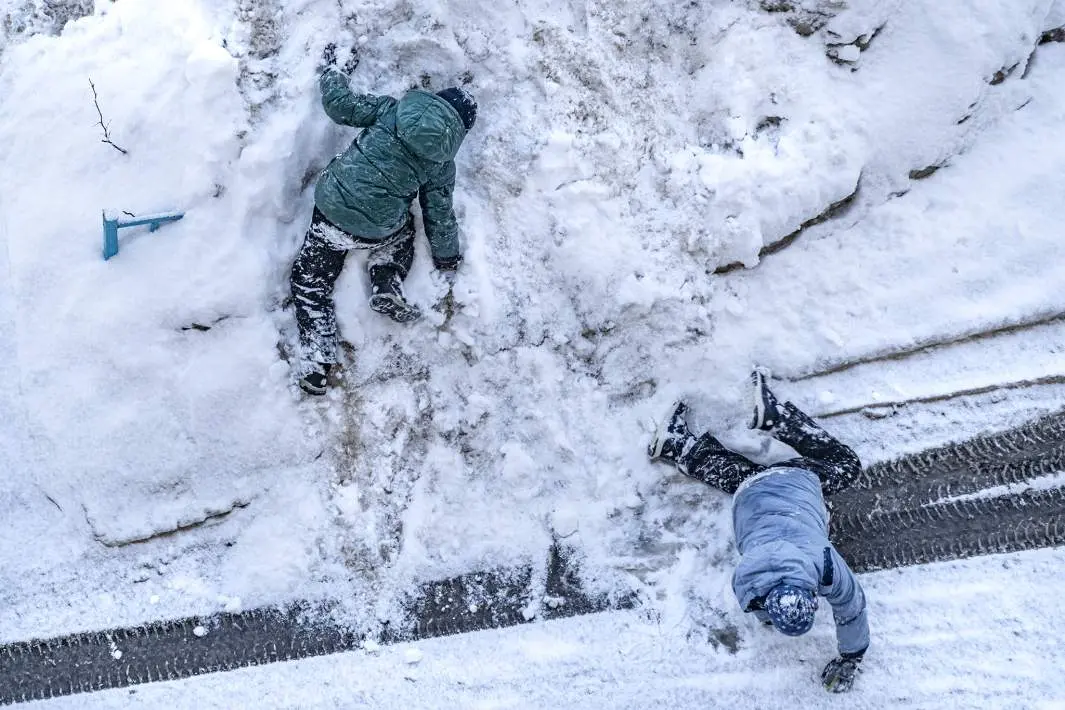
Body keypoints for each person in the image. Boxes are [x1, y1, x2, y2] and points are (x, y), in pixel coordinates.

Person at [647, 370, 870, 693]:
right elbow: (768, 610)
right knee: (763, 480)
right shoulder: (748, 585)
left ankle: (775, 418)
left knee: (846, 465)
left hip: (794, 482)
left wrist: (853, 656)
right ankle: (679, 446)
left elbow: (852, 607)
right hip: (748, 503)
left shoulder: (822, 562)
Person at [290, 43, 477, 395]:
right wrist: (446, 256)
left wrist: (334, 72)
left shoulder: (391, 110)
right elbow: (438, 214)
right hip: (376, 230)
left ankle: (317, 364)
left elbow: (339, 106)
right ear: (458, 133)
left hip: (332, 208)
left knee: (310, 281)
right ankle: (387, 278)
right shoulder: (441, 164)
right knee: (404, 236)